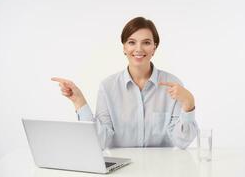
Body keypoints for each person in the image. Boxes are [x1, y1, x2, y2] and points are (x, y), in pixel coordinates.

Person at [52, 17, 198, 149]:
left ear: (154, 47)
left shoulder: (172, 85)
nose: (139, 49)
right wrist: (79, 101)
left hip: (162, 170)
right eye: (131, 42)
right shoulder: (107, 87)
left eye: (146, 43)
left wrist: (189, 103)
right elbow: (100, 141)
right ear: (124, 47)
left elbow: (182, 142)